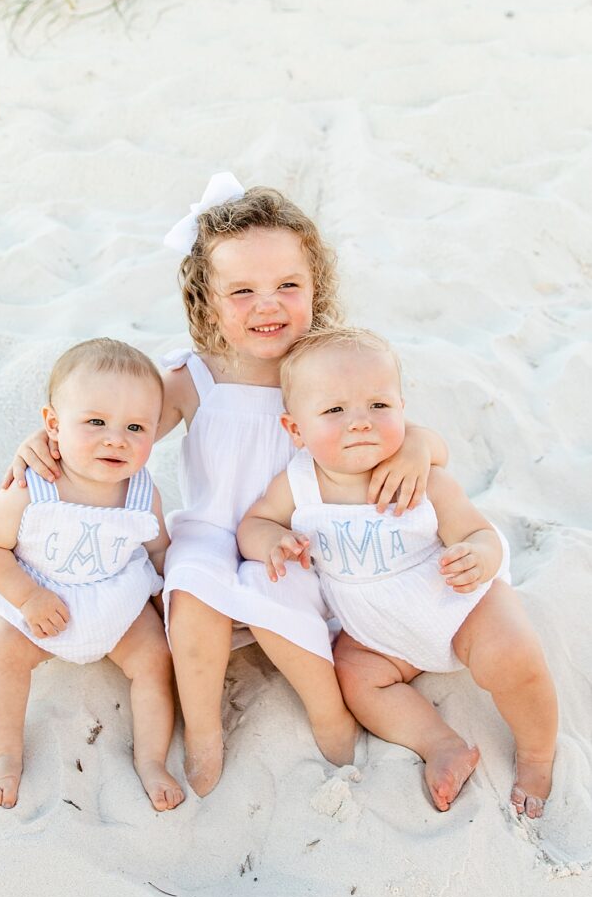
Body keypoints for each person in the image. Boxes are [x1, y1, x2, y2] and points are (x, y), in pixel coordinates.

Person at [3, 173, 446, 797]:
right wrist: (46, 444)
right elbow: (117, 435)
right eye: (242, 291)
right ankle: (205, 728)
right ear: (206, 301)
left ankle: (327, 713)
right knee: (193, 602)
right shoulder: (193, 376)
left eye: (287, 285)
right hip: (211, 529)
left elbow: (395, 428)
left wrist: (423, 444)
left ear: (315, 288)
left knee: (286, 609)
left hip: (296, 534)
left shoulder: (328, 370)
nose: (268, 305)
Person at [237, 326, 558, 819]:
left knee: (514, 657)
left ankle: (537, 754)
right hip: (377, 634)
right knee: (356, 679)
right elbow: (254, 524)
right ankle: (439, 743)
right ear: (296, 430)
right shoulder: (299, 484)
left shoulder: (422, 476)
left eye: (378, 406)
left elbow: (480, 533)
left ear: (402, 409)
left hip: (455, 605)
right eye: (334, 411)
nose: (360, 423)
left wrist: (480, 557)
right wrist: (271, 542)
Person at [0, 338, 184, 812]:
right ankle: (5, 755)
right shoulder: (34, 486)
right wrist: (27, 598)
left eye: (135, 427)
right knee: (3, 652)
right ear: (53, 425)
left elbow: (157, 550)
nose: (116, 438)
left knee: (154, 660)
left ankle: (151, 760)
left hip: (115, 600)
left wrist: (169, 599)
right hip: (44, 597)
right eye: (95, 423)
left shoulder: (142, 493)